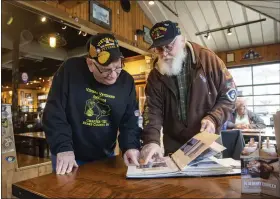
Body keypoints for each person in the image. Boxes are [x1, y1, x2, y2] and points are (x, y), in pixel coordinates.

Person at [139, 20, 237, 164]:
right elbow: (152, 110)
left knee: (209, 186)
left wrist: (213, 118)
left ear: (182, 40)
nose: (164, 54)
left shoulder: (208, 60)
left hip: (205, 143)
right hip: (173, 147)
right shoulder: (156, 75)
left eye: (169, 46)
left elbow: (229, 95)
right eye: (159, 49)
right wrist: (152, 141)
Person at [42, 33, 141, 175]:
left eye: (118, 67)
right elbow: (54, 113)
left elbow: (130, 121)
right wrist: (63, 148)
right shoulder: (70, 71)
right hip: (70, 155)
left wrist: (130, 146)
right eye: (106, 69)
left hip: (105, 155)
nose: (113, 75)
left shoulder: (127, 82)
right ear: (90, 64)